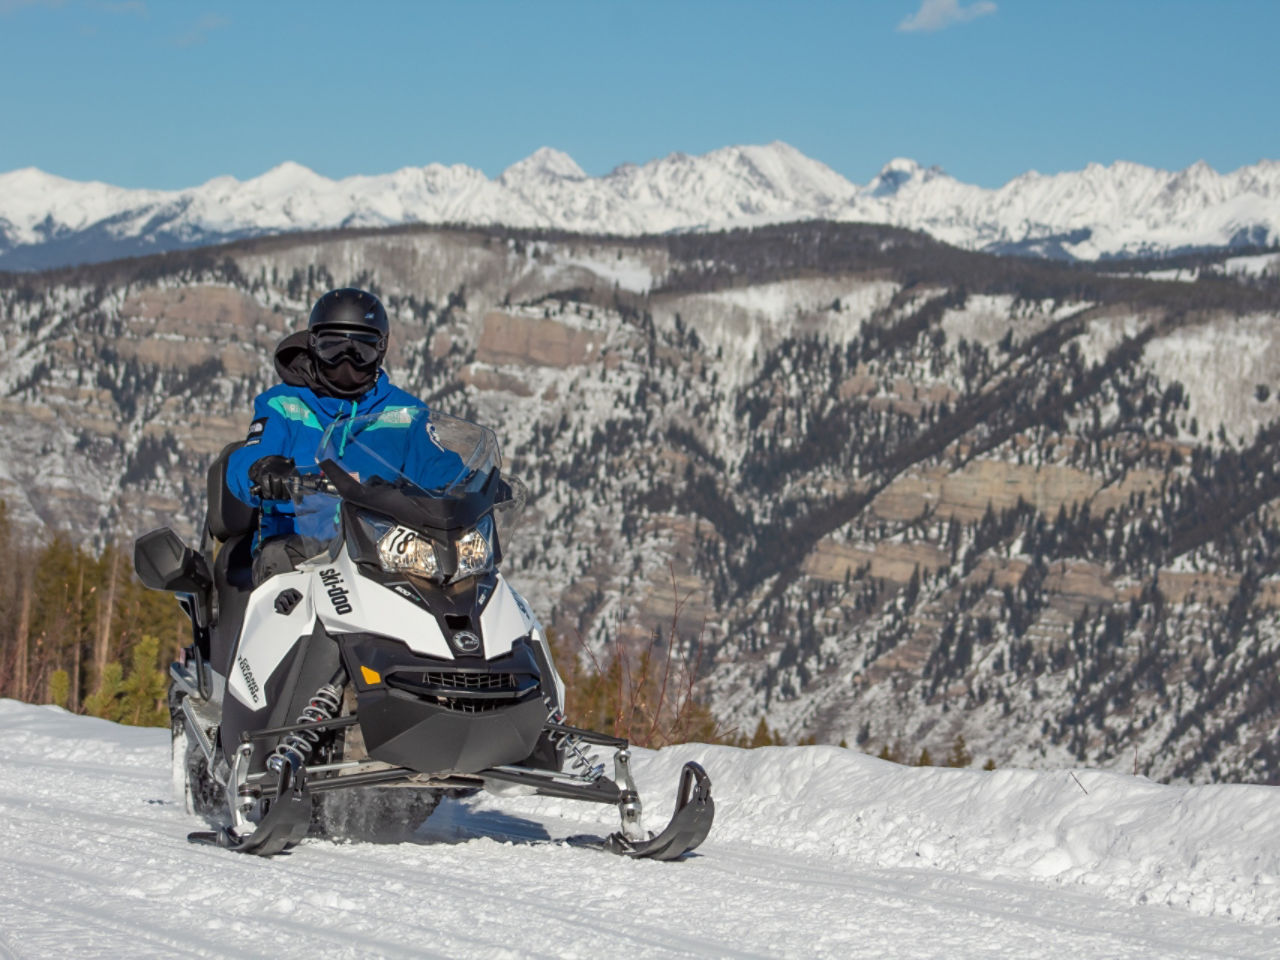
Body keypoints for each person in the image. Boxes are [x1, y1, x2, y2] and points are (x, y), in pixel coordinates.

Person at [227, 287, 453, 584]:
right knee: (284, 613)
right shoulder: (283, 405)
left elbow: (438, 465)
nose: (347, 359)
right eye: (332, 347)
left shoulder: (406, 413)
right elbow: (248, 456)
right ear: (313, 345)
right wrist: (262, 469)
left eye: (362, 349)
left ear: (381, 350)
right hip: (297, 549)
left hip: (387, 553)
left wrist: (475, 482)